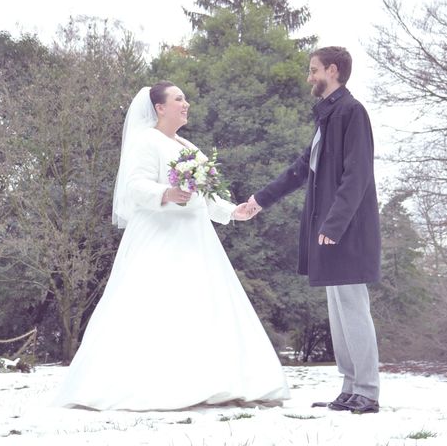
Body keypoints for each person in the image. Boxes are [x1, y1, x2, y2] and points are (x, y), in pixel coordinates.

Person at [52, 82, 289, 411]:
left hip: (195, 238)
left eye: (185, 99)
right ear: (160, 108)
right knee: (154, 304)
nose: (186, 104)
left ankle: (215, 382)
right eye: (178, 99)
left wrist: (233, 212)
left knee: (203, 305)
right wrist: (165, 194)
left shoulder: (191, 147)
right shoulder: (146, 142)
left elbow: (206, 194)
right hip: (159, 235)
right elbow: (134, 186)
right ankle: (146, 385)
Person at [247, 46, 381, 414]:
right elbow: (301, 169)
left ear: (332, 71)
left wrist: (334, 224)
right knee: (339, 313)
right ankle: (350, 387)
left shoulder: (352, 112)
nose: (309, 77)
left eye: (313, 70)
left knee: (353, 309)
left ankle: (367, 391)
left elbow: (358, 175)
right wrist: (258, 201)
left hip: (347, 230)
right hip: (330, 230)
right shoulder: (327, 117)